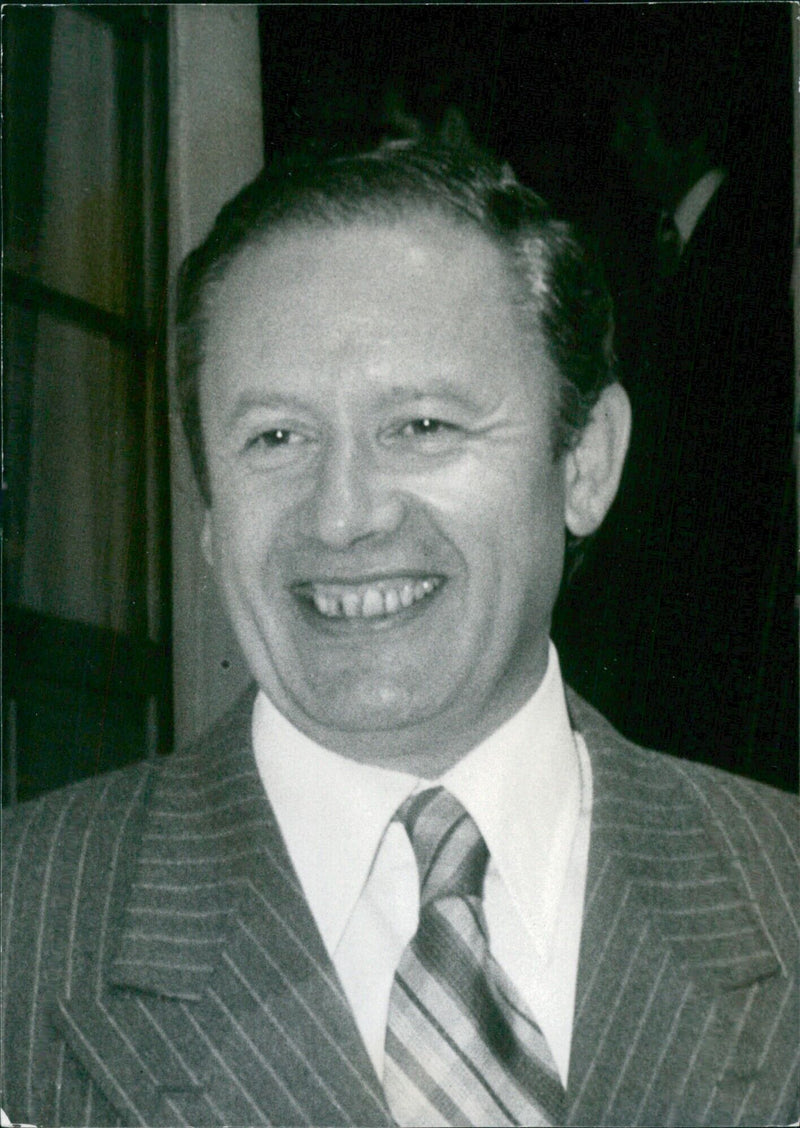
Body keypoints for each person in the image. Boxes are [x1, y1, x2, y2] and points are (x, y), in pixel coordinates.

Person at [2, 142, 797, 1128]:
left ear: (584, 465)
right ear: (208, 511)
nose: (342, 515)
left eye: (420, 426)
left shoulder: (779, 891)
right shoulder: (21, 924)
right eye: (275, 438)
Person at [558, 79, 796, 786]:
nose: (622, 146)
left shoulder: (753, 246)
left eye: (638, 124)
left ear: (686, 134)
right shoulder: (662, 240)